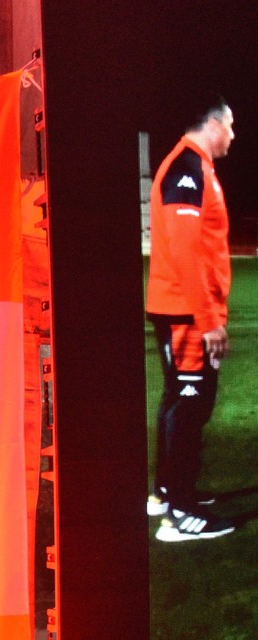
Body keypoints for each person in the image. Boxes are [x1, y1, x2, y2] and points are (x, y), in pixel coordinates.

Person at [146, 96, 237, 541]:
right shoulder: (187, 168)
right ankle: (178, 516)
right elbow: (185, 252)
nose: (234, 137)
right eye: (231, 127)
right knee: (190, 404)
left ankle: (167, 494)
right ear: (214, 125)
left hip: (181, 310)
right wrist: (209, 320)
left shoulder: (191, 166)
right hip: (185, 313)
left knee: (179, 402)